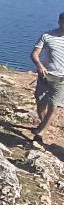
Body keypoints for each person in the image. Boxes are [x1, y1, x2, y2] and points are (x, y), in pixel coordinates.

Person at [31, 12, 64, 143]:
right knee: (40, 105)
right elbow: (34, 53)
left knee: (53, 106)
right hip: (45, 76)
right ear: (59, 21)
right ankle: (43, 124)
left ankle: (40, 133)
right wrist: (39, 65)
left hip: (61, 79)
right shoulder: (47, 36)